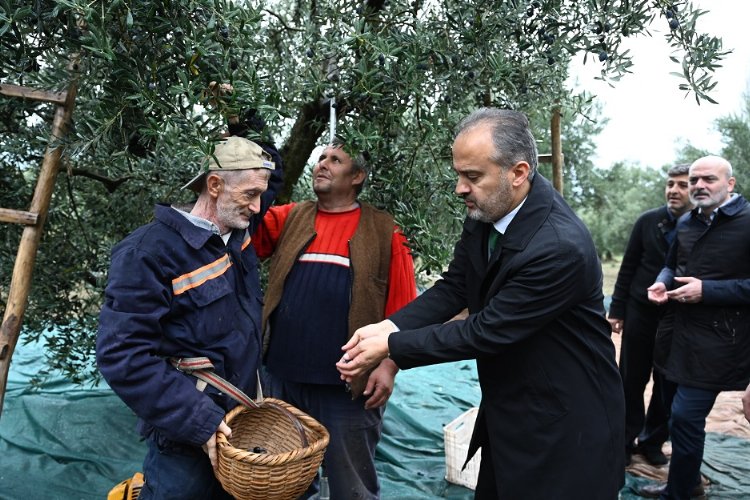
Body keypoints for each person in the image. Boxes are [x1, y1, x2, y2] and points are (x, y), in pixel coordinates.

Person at [337, 108, 625, 499]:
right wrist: (390, 327)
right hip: (511, 415)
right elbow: (455, 287)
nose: (460, 188)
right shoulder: (488, 212)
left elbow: (488, 330)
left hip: (564, 429)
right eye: (458, 174)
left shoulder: (558, 247)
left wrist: (392, 348)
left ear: (518, 173)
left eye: (472, 176)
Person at [96, 135, 282, 499]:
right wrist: (199, 422)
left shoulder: (238, 228)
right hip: (187, 437)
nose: (259, 207)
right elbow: (123, 356)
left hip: (242, 423)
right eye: (250, 195)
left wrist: (239, 112)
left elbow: (271, 174)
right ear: (214, 185)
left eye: (260, 194)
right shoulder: (147, 254)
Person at [252, 138, 417, 499]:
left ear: (357, 175)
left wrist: (388, 367)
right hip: (283, 380)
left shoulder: (384, 229)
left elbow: (405, 310)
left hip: (348, 389)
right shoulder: (290, 216)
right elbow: (246, 225)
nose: (322, 164)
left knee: (352, 486)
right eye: (320, 157)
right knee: (288, 484)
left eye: (335, 160)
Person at [641, 156, 750, 499]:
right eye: (694, 180)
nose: (699, 186)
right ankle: (685, 484)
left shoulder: (748, 222)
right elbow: (671, 265)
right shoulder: (687, 221)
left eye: (709, 179)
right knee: (677, 417)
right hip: (676, 336)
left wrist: (708, 291)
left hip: (720, 342)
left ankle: (681, 493)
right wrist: (661, 282)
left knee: (686, 418)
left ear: (729, 184)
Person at [608, 164, 693, 466]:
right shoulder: (647, 221)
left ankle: (653, 440)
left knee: (667, 381)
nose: (674, 190)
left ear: (694, 189)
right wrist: (616, 310)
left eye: (682, 185)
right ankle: (625, 439)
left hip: (679, 317)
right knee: (630, 377)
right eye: (671, 183)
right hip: (640, 312)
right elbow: (628, 266)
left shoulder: (702, 228)